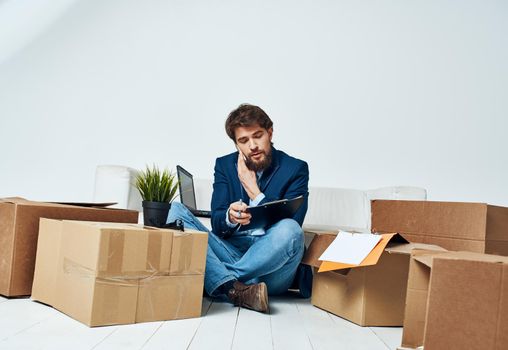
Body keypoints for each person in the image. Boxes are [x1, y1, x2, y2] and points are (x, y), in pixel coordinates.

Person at [167, 103, 310, 313]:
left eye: (258, 136)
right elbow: (217, 222)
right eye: (244, 140)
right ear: (236, 145)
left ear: (270, 133)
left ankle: (218, 278)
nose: (253, 145)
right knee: (176, 211)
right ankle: (234, 288)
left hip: (272, 268)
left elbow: (294, 222)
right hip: (233, 251)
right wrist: (229, 217)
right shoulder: (224, 166)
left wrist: (254, 192)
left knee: (291, 230)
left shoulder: (295, 168)